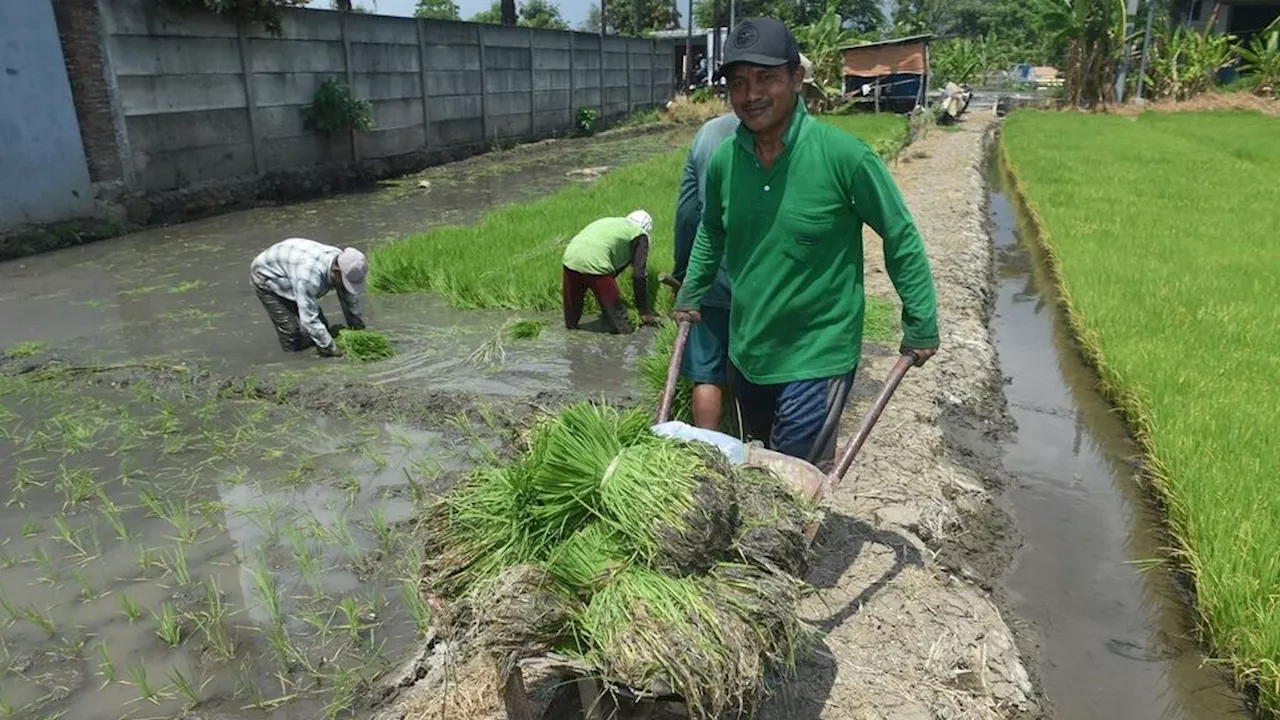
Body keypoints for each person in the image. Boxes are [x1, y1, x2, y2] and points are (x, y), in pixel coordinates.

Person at [673, 17, 940, 470]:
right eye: (738, 83)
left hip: (818, 352)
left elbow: (899, 234)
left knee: (789, 480)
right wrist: (691, 291)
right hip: (749, 348)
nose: (751, 94)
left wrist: (920, 319)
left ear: (796, 78)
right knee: (762, 458)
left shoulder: (844, 157)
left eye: (765, 78)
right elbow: (712, 231)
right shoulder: (723, 162)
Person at [673, 112, 740, 430]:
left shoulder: (709, 132)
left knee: (706, 373)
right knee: (760, 368)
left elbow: (688, 212)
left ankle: (707, 452)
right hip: (771, 280)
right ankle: (753, 443)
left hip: (712, 272)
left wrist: (684, 272)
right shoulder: (804, 136)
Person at [250, 237, 368, 358]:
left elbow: (350, 300)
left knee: (323, 327)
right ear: (336, 271)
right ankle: (293, 361)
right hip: (267, 274)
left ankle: (313, 343)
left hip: (293, 265)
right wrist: (332, 350)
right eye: (344, 282)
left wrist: (359, 332)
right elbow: (309, 319)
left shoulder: (345, 263)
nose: (345, 286)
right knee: (291, 333)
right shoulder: (309, 278)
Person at [561, 210, 655, 334]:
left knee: (571, 323)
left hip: (570, 259)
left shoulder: (610, 222)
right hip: (596, 263)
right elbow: (638, 274)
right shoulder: (640, 235)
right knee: (621, 325)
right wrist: (644, 311)